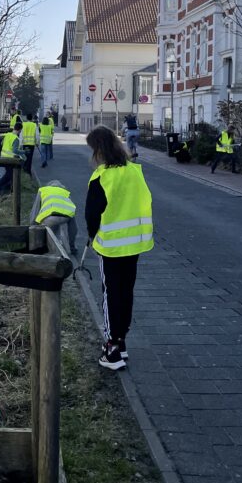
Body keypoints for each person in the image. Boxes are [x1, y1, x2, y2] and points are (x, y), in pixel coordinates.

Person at [85, 126, 153, 371]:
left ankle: (112, 349)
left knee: (110, 294)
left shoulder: (101, 177)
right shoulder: (134, 171)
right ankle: (121, 341)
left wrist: (91, 236)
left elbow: (92, 214)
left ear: (98, 150)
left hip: (111, 246)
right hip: (135, 243)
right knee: (125, 292)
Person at [30, 180, 78, 256]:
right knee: (57, 226)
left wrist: (32, 226)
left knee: (42, 228)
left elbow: (35, 210)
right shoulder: (66, 193)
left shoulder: (43, 190)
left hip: (50, 219)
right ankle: (60, 249)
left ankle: (39, 249)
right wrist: (72, 247)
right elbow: (73, 228)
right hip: (65, 218)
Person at [0, 119, 24, 195]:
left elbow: (1, 145)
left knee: (10, 174)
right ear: (20, 130)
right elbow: (15, 151)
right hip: (10, 159)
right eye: (21, 131)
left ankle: (7, 189)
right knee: (10, 175)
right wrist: (23, 153)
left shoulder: (7, 135)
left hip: (4, 157)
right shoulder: (16, 138)